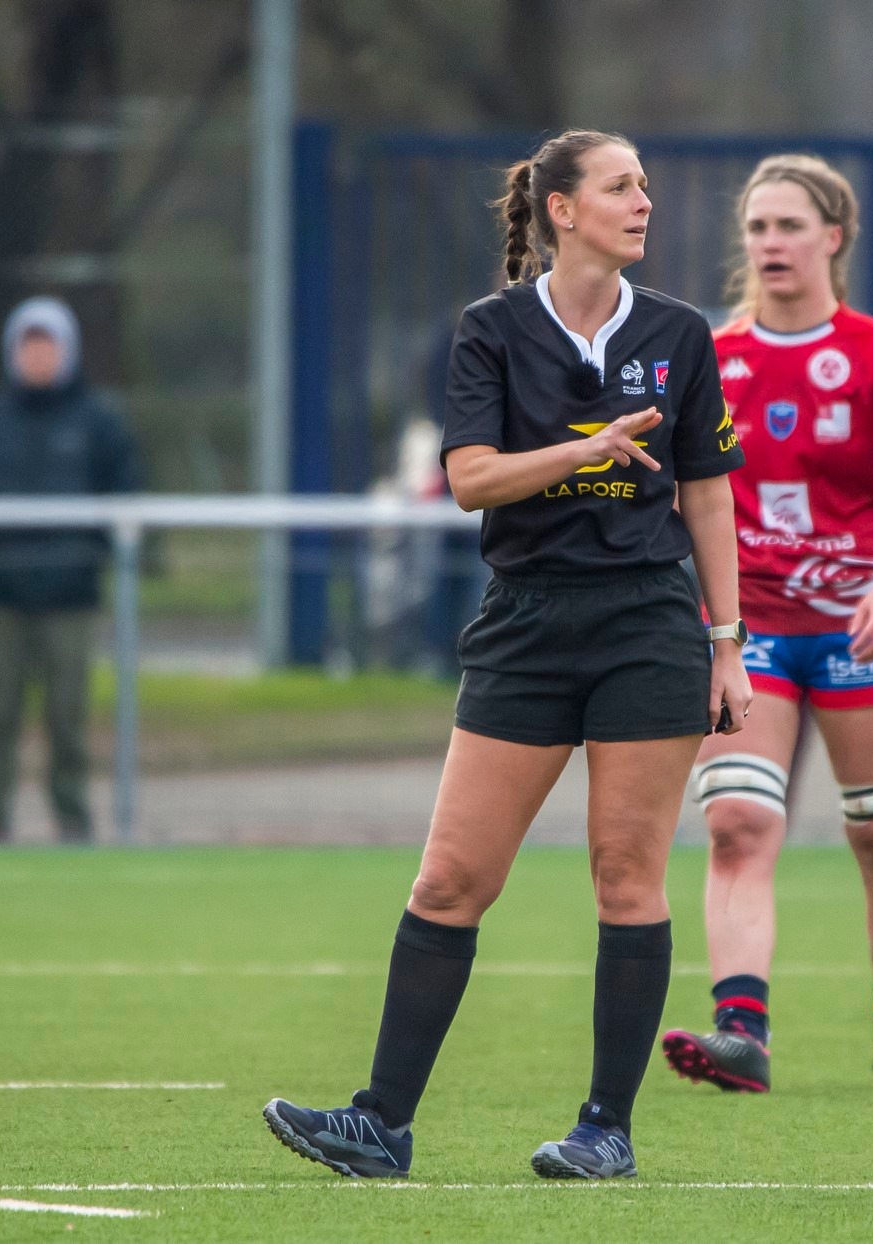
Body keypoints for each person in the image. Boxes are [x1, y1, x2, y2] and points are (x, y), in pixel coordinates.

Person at [263, 129, 752, 1182]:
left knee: (626, 876)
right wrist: (586, 447)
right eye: (622, 187)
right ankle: (380, 1123)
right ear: (562, 209)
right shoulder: (488, 329)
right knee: (449, 877)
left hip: (647, 624)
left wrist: (727, 645)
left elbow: (708, 493)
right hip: (526, 622)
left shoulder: (679, 332)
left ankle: (604, 1128)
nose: (644, 202)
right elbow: (473, 478)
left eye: (646, 187)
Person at [659, 153, 873, 1095]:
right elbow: (680, 493)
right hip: (750, 633)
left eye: (789, 226)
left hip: (861, 631)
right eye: (756, 227)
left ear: (834, 237)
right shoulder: (713, 358)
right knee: (738, 823)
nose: (771, 243)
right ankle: (743, 1032)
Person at [0, 297, 139, 843]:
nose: (38, 356)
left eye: (48, 344)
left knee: (67, 720)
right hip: (2, 596)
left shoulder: (98, 423)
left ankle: (74, 826)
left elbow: (124, 495)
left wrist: (85, 554)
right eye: (29, 345)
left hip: (70, 597)